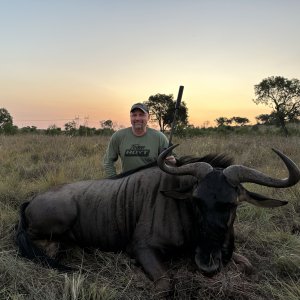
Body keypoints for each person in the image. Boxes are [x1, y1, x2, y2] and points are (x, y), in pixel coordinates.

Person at [103, 102, 176, 177]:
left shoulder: (160, 137)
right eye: (134, 115)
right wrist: (115, 180)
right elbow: (108, 161)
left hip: (152, 183)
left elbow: (174, 160)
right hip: (126, 183)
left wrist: (173, 161)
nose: (137, 118)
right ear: (130, 117)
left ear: (148, 117)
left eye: (141, 115)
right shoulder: (118, 136)